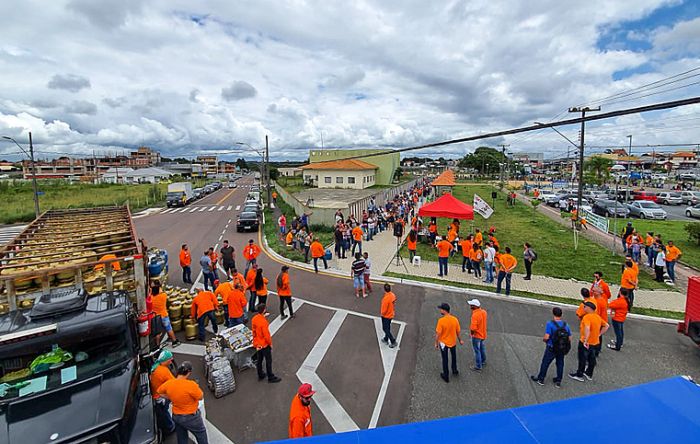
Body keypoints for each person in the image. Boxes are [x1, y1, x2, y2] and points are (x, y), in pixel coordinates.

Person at [157, 361, 208, 444]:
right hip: (192, 417)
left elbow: (159, 392)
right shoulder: (191, 385)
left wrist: (170, 397)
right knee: (201, 434)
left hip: (177, 416)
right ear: (188, 373)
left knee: (182, 437)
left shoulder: (169, 383)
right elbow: (200, 396)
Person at [530, 307, 571, 388]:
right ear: (561, 314)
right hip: (561, 348)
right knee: (560, 363)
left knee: (545, 363)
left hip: (551, 347)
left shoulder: (550, 324)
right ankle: (558, 380)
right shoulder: (566, 325)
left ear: (553, 313)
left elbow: (546, 337)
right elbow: (569, 338)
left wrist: (545, 341)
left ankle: (541, 379)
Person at [569, 301, 609, 382]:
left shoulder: (587, 317)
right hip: (595, 342)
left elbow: (587, 328)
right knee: (592, 359)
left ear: (589, 308)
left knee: (582, 359)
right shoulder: (597, 317)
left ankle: (579, 374)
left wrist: (585, 340)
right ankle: (589, 374)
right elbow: (606, 326)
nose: (584, 308)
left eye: (585, 307)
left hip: (585, 342)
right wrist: (599, 334)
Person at [251, 303, 282, 383]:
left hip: (257, 343)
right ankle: (270, 377)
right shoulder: (263, 322)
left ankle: (260, 374)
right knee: (268, 361)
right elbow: (266, 335)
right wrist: (270, 343)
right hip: (264, 344)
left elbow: (254, 330)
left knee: (259, 359)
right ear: (264, 310)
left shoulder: (254, 319)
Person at [435, 303, 464, 383]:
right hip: (452, 342)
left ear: (444, 310)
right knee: (453, 356)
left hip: (444, 343)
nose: (440, 310)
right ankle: (454, 370)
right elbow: (458, 332)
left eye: (441, 309)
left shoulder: (441, 321)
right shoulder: (455, 319)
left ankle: (446, 375)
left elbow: (438, 334)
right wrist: (460, 340)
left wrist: (436, 343)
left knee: (445, 359)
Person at [150, 349, 176, 434]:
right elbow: (174, 383)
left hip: (155, 394)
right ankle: (170, 427)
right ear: (165, 360)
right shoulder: (164, 371)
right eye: (170, 359)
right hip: (161, 397)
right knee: (165, 412)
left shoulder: (155, 367)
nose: (171, 360)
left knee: (161, 413)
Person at [468, 299, 487, 372]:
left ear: (475, 306)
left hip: (477, 336)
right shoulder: (484, 312)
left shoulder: (475, 315)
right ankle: (483, 360)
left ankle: (478, 366)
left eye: (471, 305)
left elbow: (473, 328)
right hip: (483, 334)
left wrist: (472, 334)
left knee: (477, 350)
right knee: (482, 347)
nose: (470, 306)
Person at [380, 283, 397, 348]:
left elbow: (384, 310)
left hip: (386, 316)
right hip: (391, 314)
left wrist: (382, 314)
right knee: (388, 327)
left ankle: (393, 341)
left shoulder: (385, 299)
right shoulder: (392, 295)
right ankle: (386, 338)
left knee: (385, 329)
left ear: (384, 290)